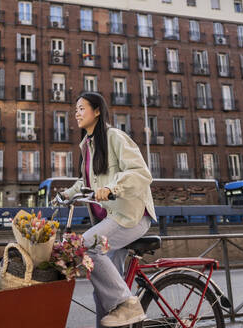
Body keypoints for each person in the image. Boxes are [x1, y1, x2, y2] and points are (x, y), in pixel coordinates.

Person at [60, 92, 157, 327]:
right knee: (102, 293)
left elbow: (141, 173)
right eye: (76, 110)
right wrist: (66, 195)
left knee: (85, 245)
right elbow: (86, 183)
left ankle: (128, 304)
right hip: (112, 219)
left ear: (97, 111)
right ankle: (120, 309)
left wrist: (114, 187)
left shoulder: (116, 137)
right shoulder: (88, 145)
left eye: (82, 108)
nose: (77, 113)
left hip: (130, 216)